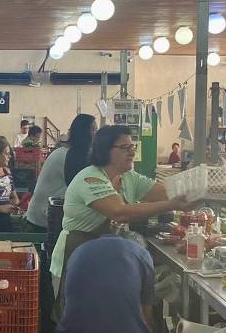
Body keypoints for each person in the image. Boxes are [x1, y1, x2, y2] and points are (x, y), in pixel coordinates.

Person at [51, 126, 189, 310]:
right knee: (79, 322)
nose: (132, 152)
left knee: (104, 320)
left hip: (104, 260)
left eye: (133, 147)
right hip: (76, 260)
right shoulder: (90, 178)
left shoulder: (129, 177)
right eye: (125, 148)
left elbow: (164, 192)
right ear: (105, 150)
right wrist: (173, 205)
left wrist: (199, 190)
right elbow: (119, 212)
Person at [26, 114, 95, 232]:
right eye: (93, 129)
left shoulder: (68, 153)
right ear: (84, 133)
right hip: (43, 219)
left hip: (48, 214)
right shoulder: (66, 156)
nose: (96, 134)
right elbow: (84, 189)